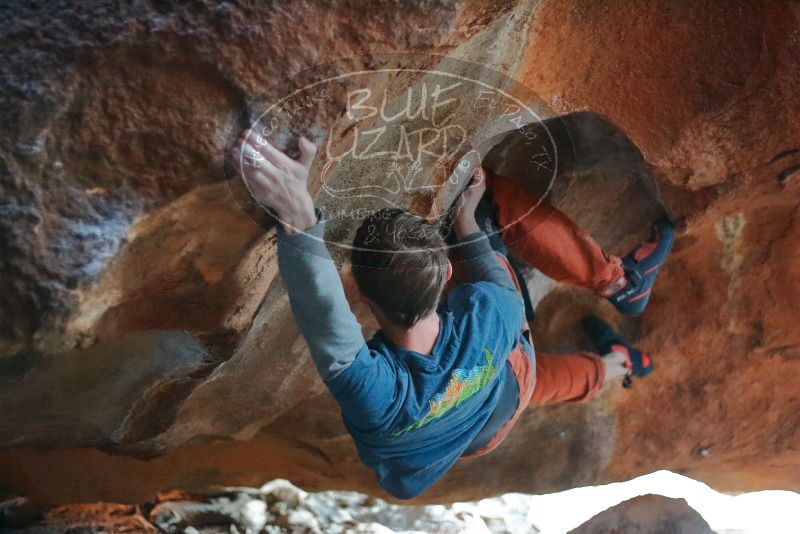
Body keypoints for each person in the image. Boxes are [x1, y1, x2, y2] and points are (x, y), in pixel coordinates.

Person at [230, 130, 674, 499]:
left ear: (362, 296)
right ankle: (618, 284)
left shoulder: (385, 396)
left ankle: (617, 365)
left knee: (535, 384)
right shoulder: (492, 314)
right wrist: (464, 219)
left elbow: (329, 320)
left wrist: (298, 216)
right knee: (487, 206)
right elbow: (330, 325)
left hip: (480, 429)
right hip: (503, 377)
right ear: (446, 273)